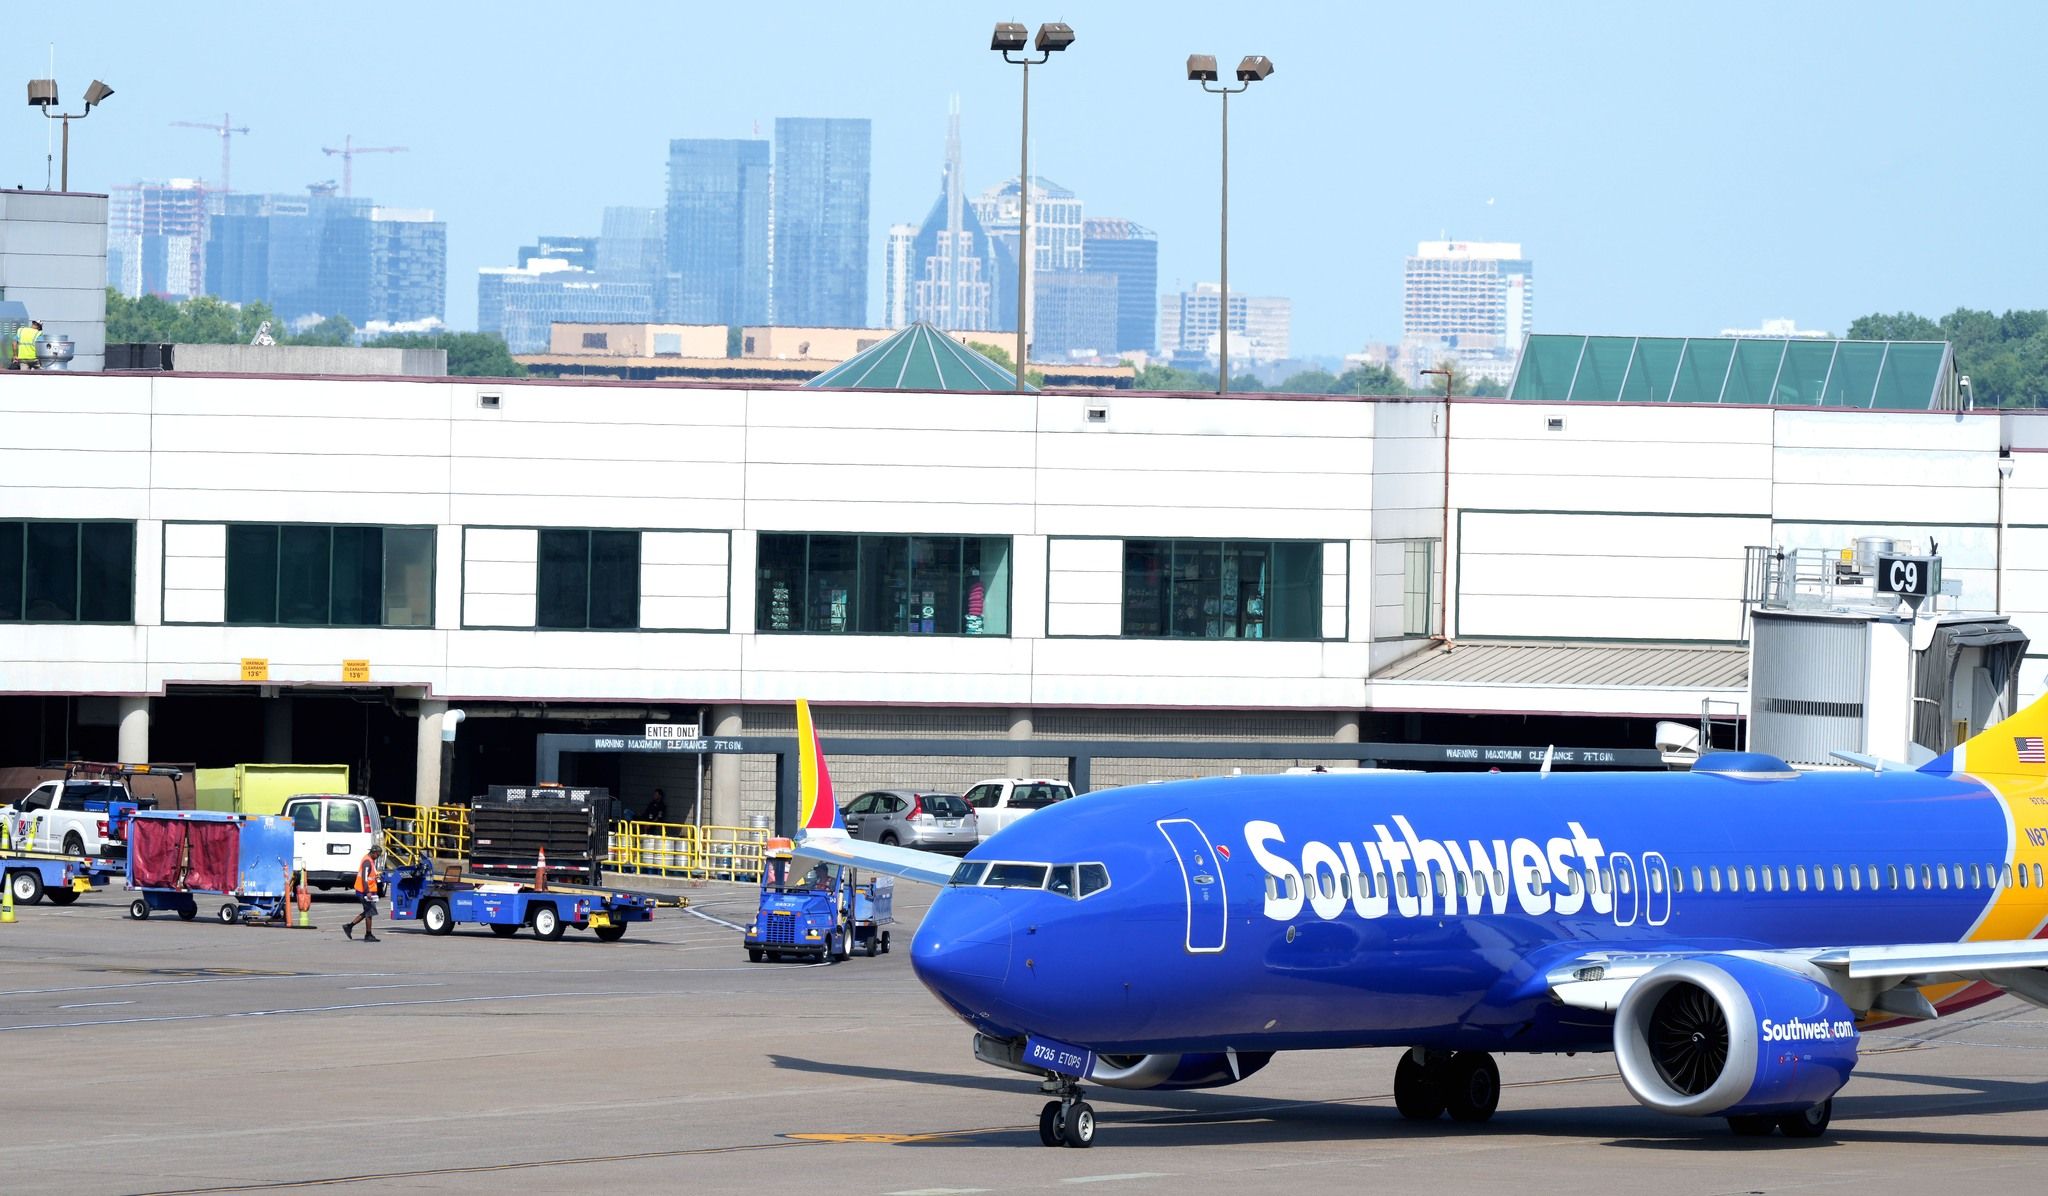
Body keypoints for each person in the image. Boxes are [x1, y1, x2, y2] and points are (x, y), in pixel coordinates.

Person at [343, 844, 382, 942]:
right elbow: (364, 878)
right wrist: (367, 891)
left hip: (367, 890)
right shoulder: (367, 862)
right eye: (378, 854)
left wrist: (376, 877)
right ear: (373, 852)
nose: (378, 857)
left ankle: (350, 927)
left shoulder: (370, 860)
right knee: (369, 911)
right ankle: (367, 934)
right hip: (363, 891)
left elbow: (369, 876)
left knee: (368, 912)